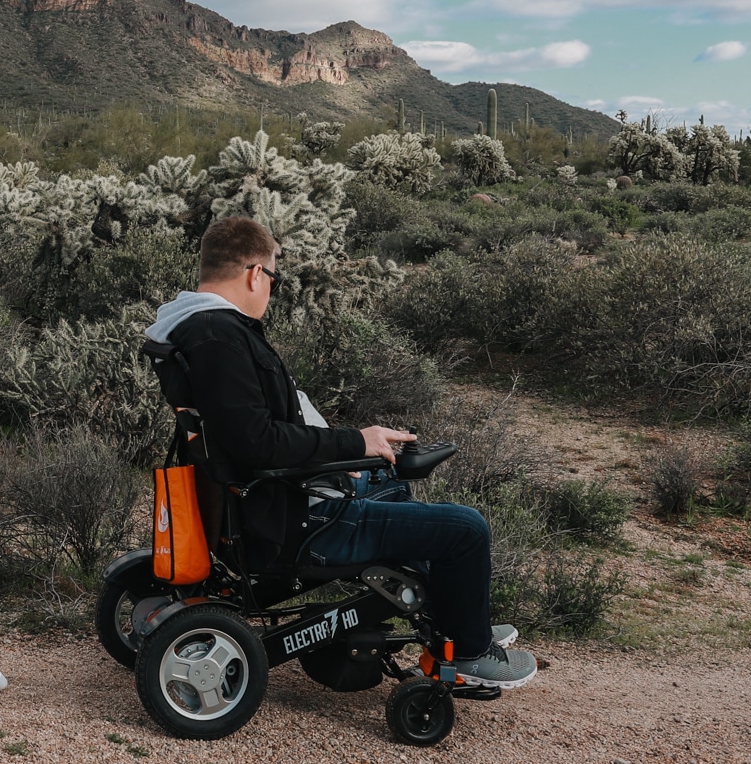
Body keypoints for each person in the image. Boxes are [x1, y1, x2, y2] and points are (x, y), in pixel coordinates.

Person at [145, 215, 537, 689]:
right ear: (254, 273)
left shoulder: (193, 330)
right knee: (466, 529)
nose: (271, 288)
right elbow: (255, 442)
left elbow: (251, 434)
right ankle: (470, 653)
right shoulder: (219, 337)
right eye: (274, 277)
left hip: (276, 503)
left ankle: (456, 621)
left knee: (388, 477)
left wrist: (352, 455)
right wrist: (354, 443)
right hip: (296, 520)